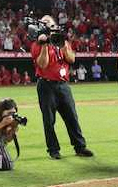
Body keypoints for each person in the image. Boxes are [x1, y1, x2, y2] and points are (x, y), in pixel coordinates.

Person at [31, 15, 94, 160]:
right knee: (49, 120)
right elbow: (43, 64)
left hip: (63, 85)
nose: (48, 25)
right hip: (46, 85)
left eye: (50, 23)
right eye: (44, 23)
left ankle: (80, 147)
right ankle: (53, 150)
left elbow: (71, 59)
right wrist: (45, 45)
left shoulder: (62, 41)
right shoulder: (37, 44)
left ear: (55, 26)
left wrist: (64, 45)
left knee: (72, 117)